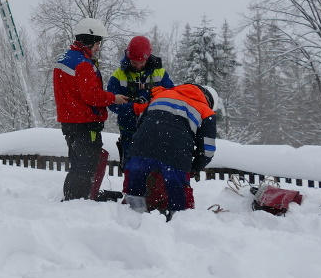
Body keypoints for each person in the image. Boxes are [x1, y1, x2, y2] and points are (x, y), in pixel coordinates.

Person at [53, 17, 129, 201]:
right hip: (85, 122)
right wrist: (114, 98)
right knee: (87, 164)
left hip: (70, 121)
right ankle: (79, 200)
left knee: (77, 163)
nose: (98, 47)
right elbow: (92, 96)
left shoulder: (64, 59)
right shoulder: (83, 64)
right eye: (97, 42)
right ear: (89, 39)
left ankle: (76, 195)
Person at [123, 84, 219, 220]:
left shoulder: (161, 96)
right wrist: (194, 168)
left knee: (134, 194)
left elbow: (141, 125)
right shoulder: (206, 111)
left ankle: (132, 221)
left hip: (139, 151)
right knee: (179, 199)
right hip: (175, 156)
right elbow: (207, 150)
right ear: (209, 101)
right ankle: (178, 225)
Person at [107, 35, 174, 167]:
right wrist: (133, 108)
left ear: (148, 57)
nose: (138, 66)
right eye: (134, 62)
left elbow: (175, 98)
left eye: (141, 62)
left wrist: (164, 93)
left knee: (155, 170)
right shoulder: (118, 75)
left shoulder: (159, 73)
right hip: (129, 132)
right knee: (132, 169)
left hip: (156, 132)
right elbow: (111, 103)